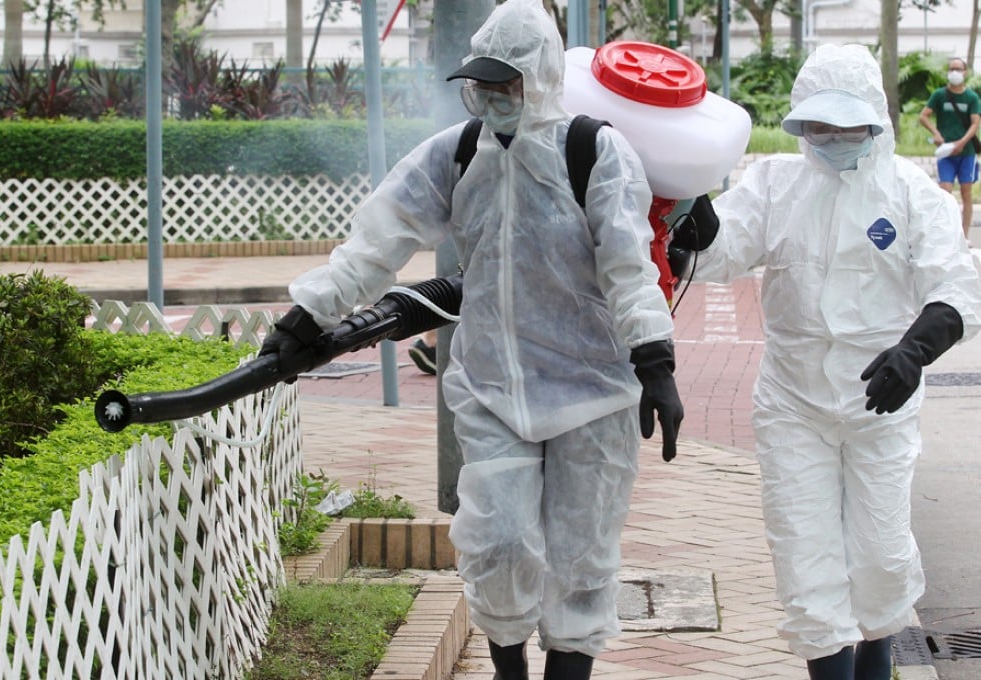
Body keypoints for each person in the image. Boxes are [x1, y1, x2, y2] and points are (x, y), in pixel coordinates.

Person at [259, 1, 684, 678]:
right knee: (499, 540)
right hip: (492, 387)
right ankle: (509, 667)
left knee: (581, 556)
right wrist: (308, 315)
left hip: (595, 390)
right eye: (480, 83)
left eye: (505, 83)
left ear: (540, 78)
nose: (490, 96)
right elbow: (380, 238)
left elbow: (629, 267)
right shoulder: (458, 152)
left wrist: (654, 361)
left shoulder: (595, 153)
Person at [672, 44, 981, 680]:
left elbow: (956, 286)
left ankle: (878, 662)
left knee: (882, 559)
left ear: (876, 121)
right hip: (794, 406)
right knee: (806, 559)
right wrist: (694, 216)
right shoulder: (775, 186)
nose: (834, 137)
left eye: (848, 125)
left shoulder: (912, 195)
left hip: (880, 406)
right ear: (801, 121)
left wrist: (914, 351)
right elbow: (722, 253)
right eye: (821, 125)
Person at [919, 56, 981, 240]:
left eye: (958, 69)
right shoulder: (939, 95)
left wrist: (962, 142)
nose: (955, 72)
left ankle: (964, 234)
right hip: (945, 153)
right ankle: (945, 233)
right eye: (952, 68)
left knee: (966, 192)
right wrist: (936, 134)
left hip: (966, 153)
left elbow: (975, 124)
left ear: (965, 72)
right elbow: (924, 116)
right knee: (944, 191)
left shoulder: (971, 97)